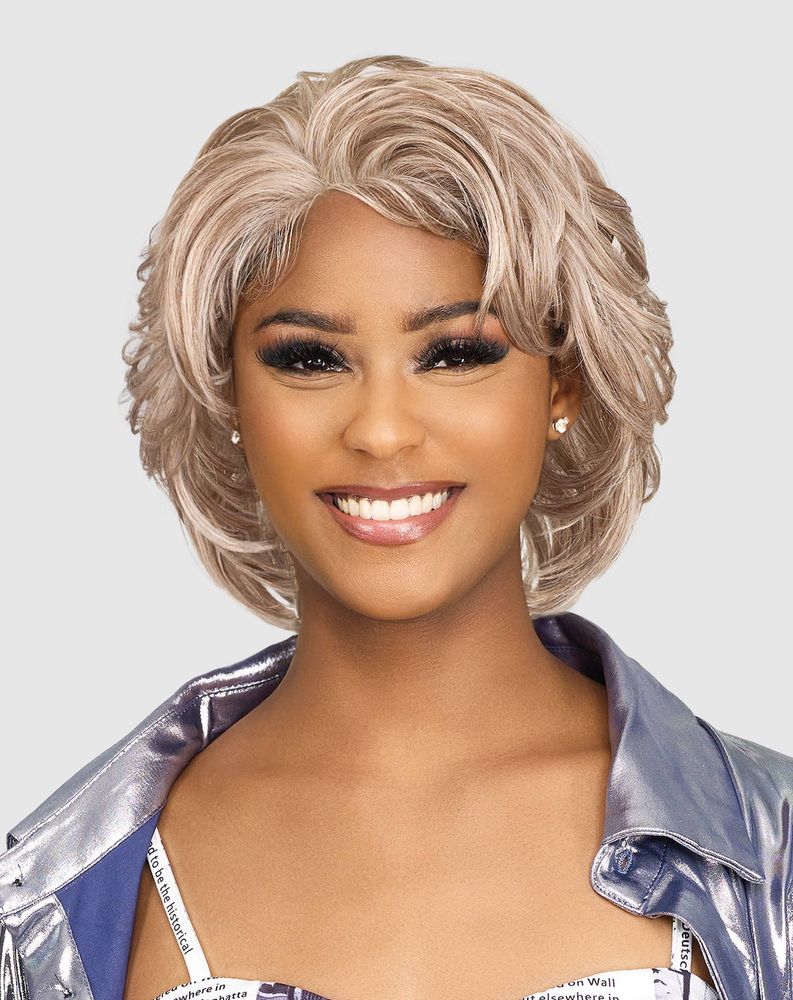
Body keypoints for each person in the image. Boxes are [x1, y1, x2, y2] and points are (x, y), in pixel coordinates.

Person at [0, 54, 790, 1000]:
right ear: (228, 397)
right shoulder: (50, 899)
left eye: (453, 353)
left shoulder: (769, 849)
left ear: (563, 383)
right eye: (309, 359)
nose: (380, 430)